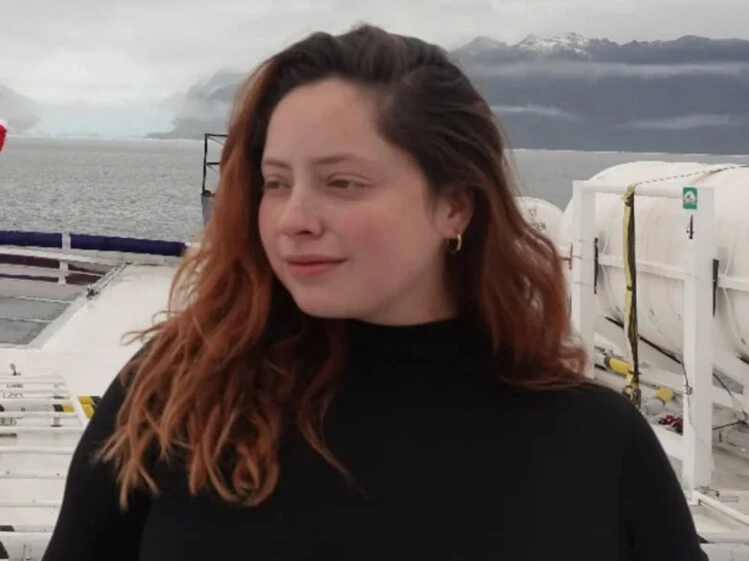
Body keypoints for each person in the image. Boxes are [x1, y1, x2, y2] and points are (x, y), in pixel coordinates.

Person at [42, 24, 707, 561]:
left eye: (342, 183)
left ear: (455, 204)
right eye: (276, 182)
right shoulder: (174, 400)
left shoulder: (594, 442)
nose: (293, 217)